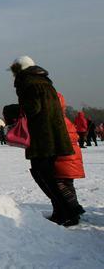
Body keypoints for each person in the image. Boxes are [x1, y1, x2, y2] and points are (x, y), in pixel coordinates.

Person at [9, 56, 77, 226]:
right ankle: (63, 211)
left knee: (44, 175)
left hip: (42, 137)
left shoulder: (28, 83)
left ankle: (67, 212)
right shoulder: (44, 81)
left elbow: (34, 108)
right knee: (48, 175)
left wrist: (15, 110)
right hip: (53, 136)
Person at [54, 92, 86, 225]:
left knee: (60, 185)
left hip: (65, 160)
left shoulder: (57, 121)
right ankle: (68, 212)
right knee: (68, 185)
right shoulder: (65, 120)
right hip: (70, 160)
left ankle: (71, 212)